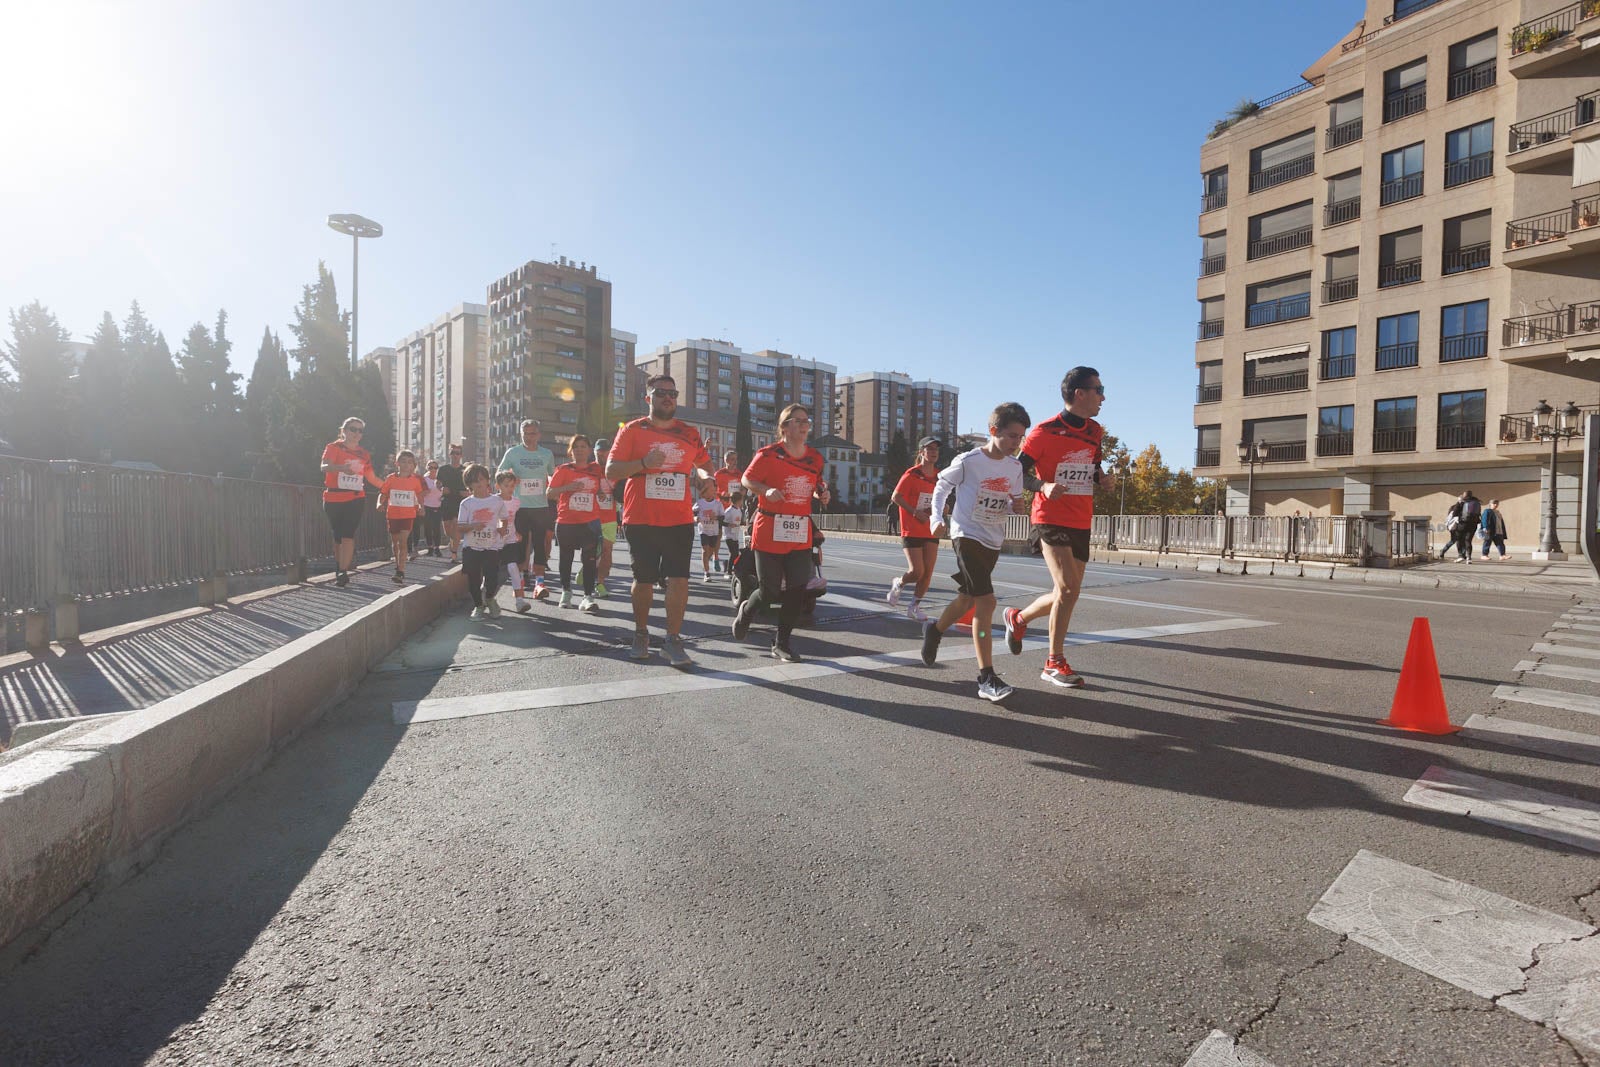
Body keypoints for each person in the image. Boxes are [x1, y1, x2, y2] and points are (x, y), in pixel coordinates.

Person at [1001, 367, 1115, 688]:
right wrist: (1042, 485)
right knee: (1067, 589)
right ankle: (1053, 662)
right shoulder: (1043, 431)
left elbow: (1092, 468)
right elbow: (1016, 474)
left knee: (1067, 591)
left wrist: (1103, 479)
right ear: (1079, 393)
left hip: (1081, 518)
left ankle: (1018, 618)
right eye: (1099, 389)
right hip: (1049, 517)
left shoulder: (1094, 431)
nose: (1103, 396)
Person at [919, 403, 1031, 703]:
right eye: (1010, 436)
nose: (1016, 443)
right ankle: (986, 677)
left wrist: (1014, 506)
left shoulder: (1015, 467)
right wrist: (936, 518)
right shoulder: (969, 460)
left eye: (1020, 437)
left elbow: (1010, 501)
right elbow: (942, 486)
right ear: (992, 431)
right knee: (986, 601)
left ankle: (935, 629)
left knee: (968, 597)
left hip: (992, 539)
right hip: (965, 534)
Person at [605, 374, 713, 665]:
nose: (668, 397)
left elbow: (702, 464)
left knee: (679, 579)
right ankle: (641, 633)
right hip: (641, 517)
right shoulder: (631, 430)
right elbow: (611, 471)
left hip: (678, 518)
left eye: (673, 393)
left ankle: (672, 640)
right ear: (648, 398)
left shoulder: (689, 433)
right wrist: (642, 464)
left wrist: (707, 479)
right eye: (661, 392)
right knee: (644, 580)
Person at [732, 403, 831, 662]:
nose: (803, 425)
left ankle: (782, 643)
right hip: (769, 527)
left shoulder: (815, 458)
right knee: (770, 591)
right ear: (784, 426)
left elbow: (816, 483)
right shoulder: (768, 454)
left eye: (806, 421)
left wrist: (822, 492)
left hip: (799, 528)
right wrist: (765, 490)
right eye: (797, 421)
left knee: (797, 590)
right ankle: (747, 610)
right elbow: (746, 479)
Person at [319, 416, 385, 587]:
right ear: (344, 431)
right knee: (337, 535)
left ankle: (343, 571)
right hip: (333, 497)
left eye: (360, 431)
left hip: (355, 498)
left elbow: (371, 477)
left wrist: (389, 487)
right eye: (353, 429)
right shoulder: (334, 447)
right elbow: (324, 466)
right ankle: (339, 565)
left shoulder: (364, 454)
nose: (356, 433)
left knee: (348, 534)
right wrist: (342, 468)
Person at [498, 420, 558, 601]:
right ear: (521, 435)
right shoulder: (513, 453)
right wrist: (510, 477)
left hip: (540, 506)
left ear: (539, 435)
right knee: (520, 546)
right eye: (526, 434)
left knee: (540, 545)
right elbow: (500, 472)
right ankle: (522, 580)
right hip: (520, 507)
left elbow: (551, 475)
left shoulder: (547, 454)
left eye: (533, 433)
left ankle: (540, 583)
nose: (529, 437)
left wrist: (554, 486)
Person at [888, 436, 943, 622]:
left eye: (936, 449)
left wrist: (944, 509)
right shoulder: (912, 474)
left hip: (930, 529)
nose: (934, 452)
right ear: (921, 452)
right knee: (917, 571)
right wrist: (914, 512)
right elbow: (896, 496)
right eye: (930, 449)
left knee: (928, 572)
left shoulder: (939, 476)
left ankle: (914, 606)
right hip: (912, 528)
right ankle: (899, 583)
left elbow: (940, 498)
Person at [548, 434, 604, 612]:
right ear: (571, 451)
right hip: (566, 522)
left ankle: (587, 597)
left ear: (589, 450)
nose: (579, 450)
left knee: (589, 561)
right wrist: (567, 488)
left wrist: (601, 493)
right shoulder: (563, 469)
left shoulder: (596, 470)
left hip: (589, 522)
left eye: (583, 446)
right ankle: (566, 592)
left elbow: (601, 488)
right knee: (566, 559)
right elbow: (549, 493)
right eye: (576, 447)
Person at [457, 464, 510, 618]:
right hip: (471, 547)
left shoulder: (496, 501)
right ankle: (478, 607)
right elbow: (460, 527)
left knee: (492, 577)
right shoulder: (466, 503)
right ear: (469, 485)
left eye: (482, 479)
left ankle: (489, 598)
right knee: (473, 579)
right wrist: (473, 526)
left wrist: (502, 528)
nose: (479, 484)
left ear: (488, 481)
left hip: (491, 546)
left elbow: (504, 518)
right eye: (474, 481)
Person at [378, 450, 427, 584]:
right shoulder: (391, 479)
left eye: (409, 462)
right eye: (403, 461)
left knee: (403, 541)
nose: (406, 465)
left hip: (408, 515)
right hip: (393, 514)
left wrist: (421, 507)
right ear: (397, 463)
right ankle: (398, 564)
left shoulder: (415, 481)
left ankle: (401, 571)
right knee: (395, 543)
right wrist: (379, 503)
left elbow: (419, 495)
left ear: (413, 466)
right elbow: (382, 493)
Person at [492, 470, 528, 609]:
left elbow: (515, 519)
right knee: (491, 571)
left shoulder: (516, 502)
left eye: (512, 486)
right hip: (494, 542)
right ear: (498, 486)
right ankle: (485, 597)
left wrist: (517, 531)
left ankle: (519, 600)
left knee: (513, 567)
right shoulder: (493, 501)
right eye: (506, 485)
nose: (510, 489)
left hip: (510, 539)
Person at [593, 437, 618, 599]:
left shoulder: (615, 470)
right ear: (594, 452)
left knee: (607, 552)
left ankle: (600, 582)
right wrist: (595, 490)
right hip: (591, 518)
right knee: (592, 552)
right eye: (599, 451)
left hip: (609, 518)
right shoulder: (588, 469)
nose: (601, 454)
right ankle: (591, 576)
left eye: (605, 452)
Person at [436, 444, 467, 561]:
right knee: (448, 531)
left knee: (456, 527)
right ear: (449, 454)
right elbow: (438, 483)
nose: (455, 455)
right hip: (447, 501)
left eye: (457, 453)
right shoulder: (443, 469)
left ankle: (454, 553)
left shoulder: (464, 470)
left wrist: (468, 493)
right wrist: (440, 488)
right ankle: (453, 541)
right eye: (453, 453)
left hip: (460, 502)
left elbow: (471, 486)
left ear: (461, 455)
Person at [694, 481, 726, 583]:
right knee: (704, 550)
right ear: (705, 492)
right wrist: (695, 518)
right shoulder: (699, 503)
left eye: (713, 491)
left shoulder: (718, 504)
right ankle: (706, 573)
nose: (712, 493)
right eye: (710, 491)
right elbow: (693, 513)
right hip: (703, 530)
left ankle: (708, 563)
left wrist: (715, 517)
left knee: (711, 551)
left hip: (714, 531)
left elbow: (722, 517)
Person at [420, 460, 445, 557]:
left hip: (438, 506)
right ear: (427, 468)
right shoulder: (424, 479)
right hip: (427, 505)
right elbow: (420, 493)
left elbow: (445, 491)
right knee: (428, 528)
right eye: (431, 468)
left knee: (436, 528)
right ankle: (430, 547)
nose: (433, 470)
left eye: (435, 468)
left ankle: (437, 548)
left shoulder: (441, 479)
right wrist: (426, 492)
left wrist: (443, 497)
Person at [1451, 490, 1482, 563]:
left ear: (1464, 496)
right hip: (1473, 524)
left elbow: (1454, 513)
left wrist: (1458, 503)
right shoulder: (1477, 502)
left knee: (1458, 539)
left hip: (1463, 524)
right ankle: (1469, 558)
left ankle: (1460, 556)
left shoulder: (1462, 502)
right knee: (1468, 541)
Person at [723, 487, 747, 575]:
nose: (742, 502)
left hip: (735, 535)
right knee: (733, 553)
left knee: (736, 554)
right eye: (741, 500)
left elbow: (739, 521)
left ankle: (727, 565)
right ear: (738, 501)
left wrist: (743, 524)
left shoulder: (739, 511)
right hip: (728, 535)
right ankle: (728, 572)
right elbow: (722, 522)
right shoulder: (728, 511)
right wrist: (729, 525)